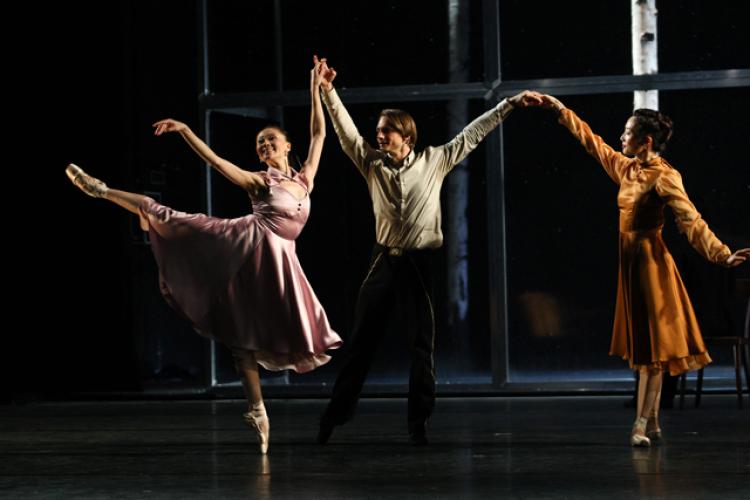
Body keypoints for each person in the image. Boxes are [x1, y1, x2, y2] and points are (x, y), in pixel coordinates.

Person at [66, 56, 342, 454]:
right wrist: (186, 131)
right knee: (169, 218)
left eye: (270, 140)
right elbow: (216, 161)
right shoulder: (259, 181)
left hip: (282, 264)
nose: (264, 146)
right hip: (245, 249)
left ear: (286, 146)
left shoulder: (304, 179)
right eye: (259, 143)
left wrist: (315, 87)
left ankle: (256, 412)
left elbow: (319, 134)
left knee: (268, 336)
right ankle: (103, 190)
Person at [314, 57, 543, 445]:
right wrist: (328, 91)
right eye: (379, 131)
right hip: (383, 261)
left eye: (387, 131)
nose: (380, 136)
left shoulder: (434, 161)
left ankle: (418, 421)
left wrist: (509, 104)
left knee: (422, 345)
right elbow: (346, 133)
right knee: (361, 344)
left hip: (419, 264)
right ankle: (333, 418)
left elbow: (472, 133)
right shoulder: (372, 164)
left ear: (407, 136)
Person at [537, 94, 750, 446]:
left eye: (628, 133)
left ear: (646, 140)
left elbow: (690, 220)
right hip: (631, 266)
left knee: (653, 352)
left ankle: (639, 424)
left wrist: (721, 255)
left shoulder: (664, 177)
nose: (622, 138)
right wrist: (562, 111)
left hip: (652, 266)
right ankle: (652, 423)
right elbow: (595, 144)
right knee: (645, 348)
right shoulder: (627, 169)